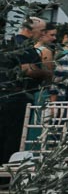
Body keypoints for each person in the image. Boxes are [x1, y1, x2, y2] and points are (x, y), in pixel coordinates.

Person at [0, 18, 53, 163]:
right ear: (29, 30)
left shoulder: (9, 43)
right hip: (17, 95)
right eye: (41, 31)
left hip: (5, 94)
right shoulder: (24, 46)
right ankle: (6, 174)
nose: (43, 34)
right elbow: (27, 70)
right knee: (13, 136)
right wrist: (47, 74)